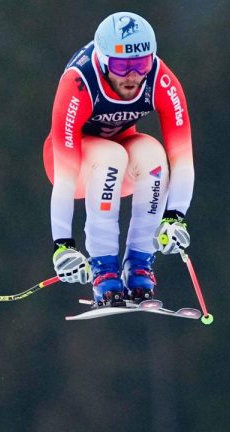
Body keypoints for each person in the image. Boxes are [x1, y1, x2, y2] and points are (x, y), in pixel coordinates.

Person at [43, 11, 194, 307]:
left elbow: (183, 160)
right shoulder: (79, 81)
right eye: (122, 66)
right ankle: (104, 271)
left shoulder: (161, 79)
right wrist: (63, 246)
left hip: (122, 164)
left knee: (153, 153)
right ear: (102, 62)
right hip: (76, 168)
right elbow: (64, 179)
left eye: (140, 64)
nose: (133, 76)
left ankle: (139, 265)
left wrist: (175, 218)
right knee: (110, 156)